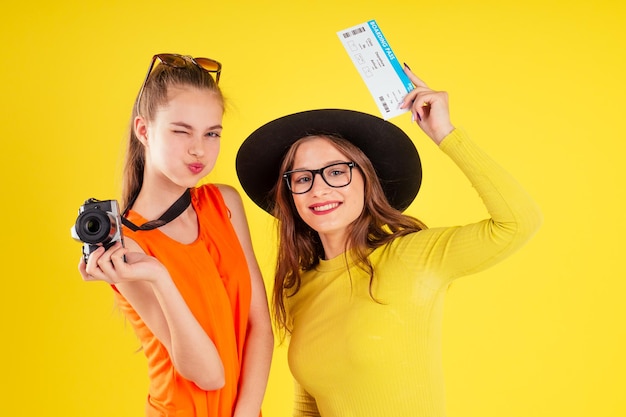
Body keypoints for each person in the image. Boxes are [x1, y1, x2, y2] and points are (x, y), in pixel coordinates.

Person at [235, 66, 543, 417]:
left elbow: (519, 223)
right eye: (302, 177)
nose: (319, 188)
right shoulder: (298, 287)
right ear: (289, 194)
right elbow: (309, 404)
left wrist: (445, 133)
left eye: (336, 172)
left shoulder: (412, 257)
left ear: (366, 179)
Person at [78, 53, 274, 417]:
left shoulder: (224, 203)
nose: (199, 149)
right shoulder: (127, 247)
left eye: (211, 133)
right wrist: (158, 275)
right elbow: (209, 375)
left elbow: (259, 324)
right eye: (181, 131)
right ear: (144, 130)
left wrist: (248, 411)